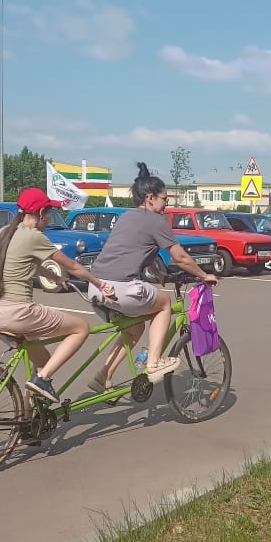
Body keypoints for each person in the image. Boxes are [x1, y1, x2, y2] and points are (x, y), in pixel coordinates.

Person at [88, 162, 219, 389]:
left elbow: (137, 249)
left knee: (135, 329)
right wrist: (203, 275)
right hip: (121, 287)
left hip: (96, 287)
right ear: (150, 198)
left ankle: (103, 377)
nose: (166, 204)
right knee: (164, 304)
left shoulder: (126, 217)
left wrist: (159, 273)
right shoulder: (156, 221)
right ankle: (154, 362)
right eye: (164, 199)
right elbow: (180, 257)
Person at [0, 188, 114, 406]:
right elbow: (72, 265)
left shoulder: (5, 232)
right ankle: (43, 380)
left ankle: (27, 415)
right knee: (81, 328)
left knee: (44, 361)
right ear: (41, 213)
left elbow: (28, 264)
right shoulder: (35, 236)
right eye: (50, 213)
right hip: (19, 314)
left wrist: (55, 277)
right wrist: (100, 284)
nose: (49, 218)